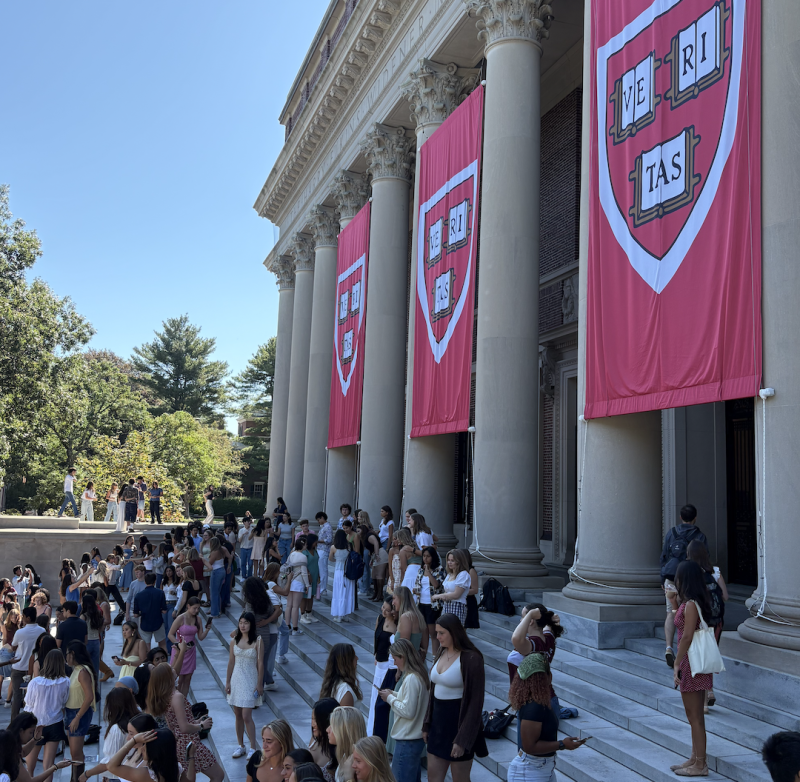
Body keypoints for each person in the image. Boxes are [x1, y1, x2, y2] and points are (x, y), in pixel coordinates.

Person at [423, 613, 486, 782]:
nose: (437, 637)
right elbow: (433, 693)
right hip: (437, 726)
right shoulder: (441, 652)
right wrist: (427, 723)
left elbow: (475, 702)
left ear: (454, 632)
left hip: (458, 725)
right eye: (437, 632)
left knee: (460, 779)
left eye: (441, 633)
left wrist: (462, 739)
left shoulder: (472, 658)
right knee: (433, 778)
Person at [507, 653, 586, 782]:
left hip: (542, 768)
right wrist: (562, 744)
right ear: (549, 677)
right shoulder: (534, 706)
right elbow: (529, 746)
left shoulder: (539, 702)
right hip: (529, 772)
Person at [668, 560, 714, 777]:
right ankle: (695, 757)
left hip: (691, 662)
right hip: (690, 661)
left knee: (695, 715)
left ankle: (701, 764)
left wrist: (677, 662)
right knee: (692, 714)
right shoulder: (688, 604)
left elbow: (686, 636)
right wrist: (673, 603)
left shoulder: (692, 605)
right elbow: (681, 625)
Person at [145, 665, 222, 782]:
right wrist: (201, 726)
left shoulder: (167, 697)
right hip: (190, 744)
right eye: (170, 669)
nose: (173, 669)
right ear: (167, 676)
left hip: (180, 744)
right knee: (218, 775)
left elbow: (173, 725)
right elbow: (184, 727)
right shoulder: (177, 697)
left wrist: (197, 721)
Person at [661, 504, 708, 669]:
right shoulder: (699, 536)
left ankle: (668, 647)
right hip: (689, 579)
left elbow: (664, 555)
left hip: (671, 577)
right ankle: (685, 650)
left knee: (670, 612)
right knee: (688, 613)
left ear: (681, 517)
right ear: (695, 517)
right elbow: (703, 560)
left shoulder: (671, 533)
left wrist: (663, 579)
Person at [686, 539, 728, 711]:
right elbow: (725, 596)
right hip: (715, 622)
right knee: (710, 655)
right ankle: (709, 691)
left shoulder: (689, 571)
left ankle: (704, 698)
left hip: (697, 621)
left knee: (699, 658)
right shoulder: (715, 571)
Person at [379, 638, 428, 782]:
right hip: (413, 740)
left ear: (403, 657)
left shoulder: (412, 678)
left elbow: (408, 711)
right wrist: (393, 694)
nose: (394, 663)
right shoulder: (418, 674)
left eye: (395, 659)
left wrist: (389, 699)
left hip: (408, 740)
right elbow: (411, 700)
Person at [23, 649, 70, 779]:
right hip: (55, 723)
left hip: (35, 725)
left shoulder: (35, 682)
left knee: (29, 764)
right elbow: (64, 702)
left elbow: (28, 703)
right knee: (49, 765)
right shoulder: (66, 681)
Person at [79, 686, 141, 782]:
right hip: (135, 773)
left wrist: (87, 774)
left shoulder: (116, 730)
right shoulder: (140, 717)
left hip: (118, 777)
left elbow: (109, 763)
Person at [226, 612, 264, 759]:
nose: (243, 625)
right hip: (236, 679)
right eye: (241, 622)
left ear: (251, 624)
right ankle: (240, 745)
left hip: (250, 680)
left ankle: (253, 747)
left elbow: (260, 664)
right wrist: (228, 681)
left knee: (246, 715)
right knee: (238, 714)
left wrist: (259, 684)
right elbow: (231, 662)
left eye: (246, 622)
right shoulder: (234, 641)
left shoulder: (258, 641)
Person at [106, 727, 197, 782]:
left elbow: (111, 766)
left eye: (146, 746)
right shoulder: (175, 768)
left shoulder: (147, 775)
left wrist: (134, 740)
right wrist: (192, 757)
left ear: (155, 752)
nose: (142, 748)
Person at [241, 577, 280, 692]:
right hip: (265, 636)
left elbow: (249, 620)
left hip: (253, 636)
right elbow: (273, 619)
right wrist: (265, 620)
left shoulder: (250, 602)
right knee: (261, 664)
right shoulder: (266, 602)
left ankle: (253, 691)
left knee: (252, 666)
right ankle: (260, 690)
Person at [65, 642, 96, 780]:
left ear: (73, 655)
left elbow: (89, 697)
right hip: (72, 712)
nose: (66, 656)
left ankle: (77, 779)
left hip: (79, 713)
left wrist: (77, 717)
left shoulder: (82, 671)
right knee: (75, 753)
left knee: (75, 754)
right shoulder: (76, 669)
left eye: (67, 653)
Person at [168, 597, 210, 696]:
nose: (196, 610)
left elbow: (200, 637)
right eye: (194, 608)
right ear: (188, 606)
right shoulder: (181, 618)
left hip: (191, 651)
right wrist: (178, 644)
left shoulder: (198, 619)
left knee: (187, 679)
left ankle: (185, 702)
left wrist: (207, 630)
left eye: (198, 608)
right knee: (179, 679)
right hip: (180, 651)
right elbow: (170, 634)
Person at [368, 598, 397, 739]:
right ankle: (371, 730)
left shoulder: (397, 623)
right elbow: (376, 636)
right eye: (382, 607)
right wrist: (375, 654)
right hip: (379, 663)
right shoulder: (380, 618)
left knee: (381, 699)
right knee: (374, 698)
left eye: (387, 609)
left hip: (389, 665)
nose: (383, 611)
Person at [10, 607, 45, 718]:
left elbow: (13, 647)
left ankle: (14, 723)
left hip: (19, 667)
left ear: (28, 618)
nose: (22, 618)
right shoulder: (42, 631)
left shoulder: (20, 632)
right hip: (35, 668)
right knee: (32, 697)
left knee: (17, 696)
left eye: (23, 616)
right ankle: (30, 721)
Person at [413, 547, 444, 654]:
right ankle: (423, 655)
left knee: (433, 633)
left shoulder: (439, 569)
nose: (425, 559)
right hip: (421, 603)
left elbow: (436, 585)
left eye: (428, 556)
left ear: (433, 557)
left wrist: (429, 573)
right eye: (424, 556)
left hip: (433, 605)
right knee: (423, 631)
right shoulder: (420, 570)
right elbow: (418, 585)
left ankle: (435, 656)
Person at [430, 550, 471, 624]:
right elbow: (447, 591)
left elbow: (456, 595)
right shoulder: (449, 574)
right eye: (448, 560)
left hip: (457, 606)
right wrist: (443, 596)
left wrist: (438, 596)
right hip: (447, 605)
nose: (449, 562)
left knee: (454, 632)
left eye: (452, 560)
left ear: (459, 561)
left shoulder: (463, 574)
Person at [326, 707, 366, 782]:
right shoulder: (345, 755)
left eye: (332, 726)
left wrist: (350, 779)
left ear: (344, 731)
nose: (327, 730)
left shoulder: (361, 763)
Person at [319, 643, 362, 708]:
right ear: (346, 662)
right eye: (353, 656)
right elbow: (345, 718)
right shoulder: (346, 691)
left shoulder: (330, 683)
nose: (357, 658)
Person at [133, 574, 167, 650]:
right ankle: (163, 660)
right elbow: (164, 611)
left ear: (145, 582)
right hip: (158, 621)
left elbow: (135, 614)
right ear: (155, 581)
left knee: (146, 646)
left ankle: (148, 661)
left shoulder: (138, 595)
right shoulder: (160, 593)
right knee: (162, 644)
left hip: (145, 622)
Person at [309, 699, 338, 782]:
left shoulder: (338, 750)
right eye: (312, 719)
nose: (312, 724)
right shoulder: (314, 740)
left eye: (316, 720)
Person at [285, 538, 310, 634]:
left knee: (289, 605)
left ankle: (287, 626)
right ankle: (295, 628)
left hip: (290, 581)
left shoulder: (292, 554)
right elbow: (304, 573)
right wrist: (307, 585)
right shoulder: (303, 556)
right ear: (303, 545)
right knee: (296, 606)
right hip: (298, 582)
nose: (306, 546)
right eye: (305, 544)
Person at [329, 530, 354, 623]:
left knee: (338, 592)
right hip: (347, 570)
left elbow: (330, 558)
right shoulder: (349, 546)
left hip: (338, 571)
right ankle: (346, 615)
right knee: (347, 592)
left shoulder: (333, 547)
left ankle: (338, 615)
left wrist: (337, 560)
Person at [203, 538, 228, 618]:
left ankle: (214, 613)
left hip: (216, 572)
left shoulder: (214, 552)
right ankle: (218, 610)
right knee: (217, 592)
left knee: (213, 593)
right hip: (222, 570)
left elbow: (210, 563)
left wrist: (203, 559)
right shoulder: (222, 550)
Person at [300, 534, 320, 625]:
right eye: (315, 541)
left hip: (315, 575)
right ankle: (302, 615)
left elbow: (316, 563)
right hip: (307, 576)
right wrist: (308, 574)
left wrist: (318, 575)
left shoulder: (315, 551)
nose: (317, 543)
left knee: (311, 595)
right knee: (305, 596)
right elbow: (303, 564)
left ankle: (309, 613)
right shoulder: (305, 552)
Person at [161, 566, 180, 656]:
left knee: (170, 626)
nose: (168, 573)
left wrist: (174, 593)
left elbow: (180, 594)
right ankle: (168, 649)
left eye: (170, 571)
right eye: (167, 571)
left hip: (173, 603)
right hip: (165, 604)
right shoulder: (163, 582)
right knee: (165, 627)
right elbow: (161, 593)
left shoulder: (177, 582)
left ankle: (173, 648)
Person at [316, 513, 333, 596]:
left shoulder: (328, 527)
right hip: (320, 549)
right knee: (320, 570)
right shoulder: (323, 527)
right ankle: (320, 588)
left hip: (324, 550)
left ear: (322, 518)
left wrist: (318, 541)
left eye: (319, 520)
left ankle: (323, 589)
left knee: (323, 570)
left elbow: (329, 540)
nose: (319, 522)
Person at [239, 515, 255, 579]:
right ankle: (243, 576)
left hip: (250, 548)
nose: (248, 523)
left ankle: (249, 576)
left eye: (249, 521)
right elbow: (239, 540)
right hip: (243, 548)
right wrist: (243, 534)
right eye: (247, 521)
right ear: (244, 523)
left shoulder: (253, 530)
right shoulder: (241, 530)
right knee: (243, 563)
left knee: (250, 563)